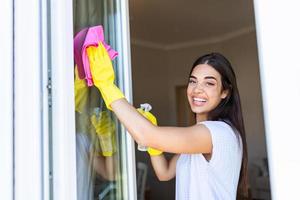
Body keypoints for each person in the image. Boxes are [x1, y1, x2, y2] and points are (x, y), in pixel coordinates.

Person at [87, 43, 248, 199]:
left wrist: (106, 85)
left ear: (225, 92)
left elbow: (146, 135)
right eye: (193, 81)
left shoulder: (217, 132)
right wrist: (153, 145)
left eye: (209, 83)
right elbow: (164, 173)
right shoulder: (201, 137)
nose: (197, 89)